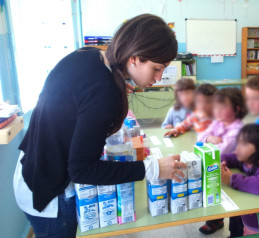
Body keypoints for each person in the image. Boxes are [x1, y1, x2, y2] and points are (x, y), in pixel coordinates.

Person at [13, 14, 187, 238]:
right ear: (134, 58)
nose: (160, 77)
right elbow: (82, 170)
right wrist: (155, 168)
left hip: (32, 166)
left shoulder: (90, 54)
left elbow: (80, 104)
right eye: (156, 68)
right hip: (50, 191)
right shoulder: (104, 92)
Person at [198, 87, 247, 236]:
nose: (217, 110)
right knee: (212, 192)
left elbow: (221, 150)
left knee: (236, 207)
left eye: (223, 107)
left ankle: (235, 233)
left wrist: (209, 142)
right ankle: (215, 220)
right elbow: (199, 139)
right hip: (218, 168)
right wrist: (209, 139)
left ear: (236, 109)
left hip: (234, 172)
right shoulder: (218, 123)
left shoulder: (238, 128)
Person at [221, 124, 259, 238]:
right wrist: (221, 162)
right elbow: (229, 157)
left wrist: (231, 179)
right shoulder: (247, 159)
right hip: (251, 224)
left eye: (244, 144)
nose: (238, 148)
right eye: (238, 142)